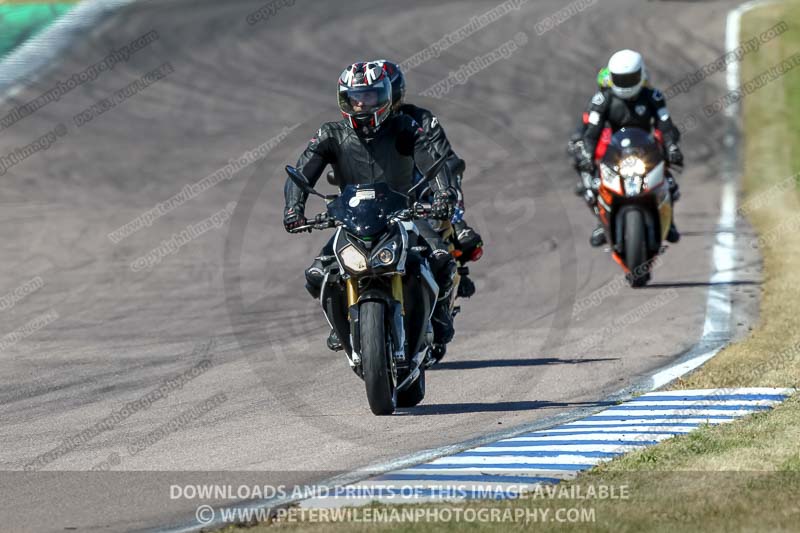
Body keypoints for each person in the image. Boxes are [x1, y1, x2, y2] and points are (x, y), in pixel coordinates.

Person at [283, 61, 458, 357]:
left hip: (403, 215)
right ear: (345, 100)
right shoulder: (330, 134)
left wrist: (444, 193)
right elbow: (302, 172)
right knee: (316, 274)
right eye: (356, 97)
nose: (363, 104)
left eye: (371, 96)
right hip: (353, 221)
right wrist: (293, 208)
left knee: (441, 257)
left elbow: (430, 156)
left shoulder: (404, 127)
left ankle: (439, 316)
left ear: (387, 96)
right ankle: (341, 323)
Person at [376, 59, 483, 298]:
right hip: (380, 202)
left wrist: (446, 201)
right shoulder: (363, 129)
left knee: (464, 239)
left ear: (395, 93)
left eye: (381, 94)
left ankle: (455, 233)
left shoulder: (420, 119)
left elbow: (447, 160)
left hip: (423, 194)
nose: (375, 102)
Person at [575, 49, 683, 246]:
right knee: (594, 186)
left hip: (646, 148)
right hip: (615, 151)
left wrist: (672, 147)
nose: (625, 84)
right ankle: (602, 223)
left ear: (641, 74)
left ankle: (669, 222)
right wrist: (587, 154)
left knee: (670, 183)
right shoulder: (603, 100)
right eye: (620, 79)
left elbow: (665, 125)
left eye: (630, 78)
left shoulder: (654, 96)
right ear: (612, 78)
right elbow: (591, 132)